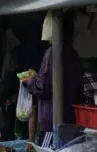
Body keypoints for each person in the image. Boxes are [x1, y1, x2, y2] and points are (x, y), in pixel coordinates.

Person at [24, 11, 84, 140]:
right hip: (70, 118)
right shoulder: (73, 53)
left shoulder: (52, 53)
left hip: (52, 121)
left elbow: (43, 87)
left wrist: (30, 81)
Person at [0, 25, 48, 147]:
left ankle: (27, 139)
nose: (8, 103)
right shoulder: (0, 93)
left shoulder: (26, 88)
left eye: (9, 101)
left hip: (26, 88)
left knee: (27, 131)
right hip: (12, 93)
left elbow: (32, 116)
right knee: (7, 124)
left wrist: (31, 141)